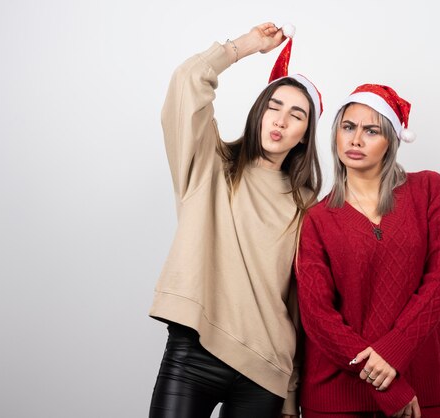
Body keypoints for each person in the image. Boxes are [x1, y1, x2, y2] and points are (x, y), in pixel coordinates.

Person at [148, 22, 323, 418]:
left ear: (304, 135)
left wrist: (291, 394)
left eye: (296, 115)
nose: (280, 121)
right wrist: (245, 46)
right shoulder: (209, 164)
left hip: (266, 370)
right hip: (194, 350)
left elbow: (301, 302)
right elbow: (188, 82)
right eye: (274, 108)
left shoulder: (308, 206)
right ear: (258, 113)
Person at [295, 84, 440, 418]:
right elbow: (317, 315)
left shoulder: (429, 190)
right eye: (348, 127)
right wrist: (385, 383)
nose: (356, 140)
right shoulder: (317, 219)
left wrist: (394, 351)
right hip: (336, 398)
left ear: (391, 140)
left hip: (422, 388)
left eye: (371, 130)